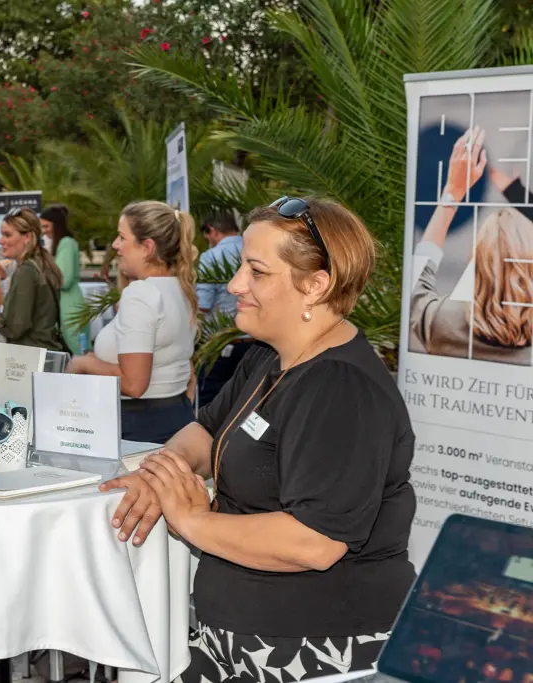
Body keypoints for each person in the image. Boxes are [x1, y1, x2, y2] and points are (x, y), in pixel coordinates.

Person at [103, 197, 416, 681]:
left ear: (315, 285)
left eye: (256, 272)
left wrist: (189, 518)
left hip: (311, 649)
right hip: (237, 639)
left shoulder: (340, 388)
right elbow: (206, 431)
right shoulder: (268, 359)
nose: (234, 286)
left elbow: (315, 541)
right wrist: (161, 471)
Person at [69, 201, 197, 442]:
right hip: (176, 416)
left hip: (139, 427)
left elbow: (134, 384)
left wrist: (83, 364)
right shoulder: (181, 288)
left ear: (147, 247)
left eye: (121, 237)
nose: (116, 246)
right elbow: (189, 371)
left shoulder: (141, 293)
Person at [411, 128, 533, 364]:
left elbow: (418, 278)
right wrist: (516, 193)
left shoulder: (439, 322)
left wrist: (452, 192)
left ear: (474, 260)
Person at [0, 208, 65, 351]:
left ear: (27, 237)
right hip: (44, 352)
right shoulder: (40, 265)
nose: (1, 241)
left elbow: (16, 327)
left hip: (30, 356)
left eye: (7, 235)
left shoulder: (26, 271)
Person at [196, 211, 250, 407]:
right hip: (255, 344)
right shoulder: (253, 250)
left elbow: (203, 304)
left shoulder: (211, 256)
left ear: (212, 230)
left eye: (207, 236)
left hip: (220, 343)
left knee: (210, 402)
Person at [40, 204, 88, 355]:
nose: (44, 231)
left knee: (78, 350)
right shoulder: (63, 243)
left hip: (70, 305)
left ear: (56, 225)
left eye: (46, 226)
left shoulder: (66, 243)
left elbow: (63, 280)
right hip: (68, 303)